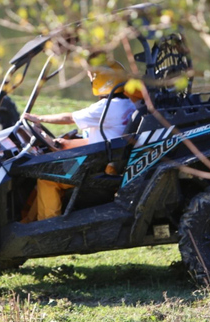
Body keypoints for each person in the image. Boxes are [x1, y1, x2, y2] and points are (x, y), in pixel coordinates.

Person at [21, 62, 141, 222]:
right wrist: (65, 144)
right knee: (46, 171)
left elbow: (70, 118)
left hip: (97, 169)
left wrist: (39, 118)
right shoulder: (128, 104)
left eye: (93, 79)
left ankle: (47, 225)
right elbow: (100, 140)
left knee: (46, 179)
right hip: (107, 162)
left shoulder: (106, 107)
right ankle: (27, 222)